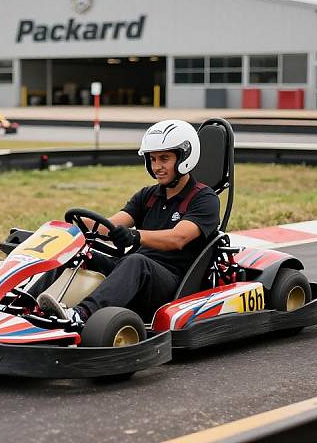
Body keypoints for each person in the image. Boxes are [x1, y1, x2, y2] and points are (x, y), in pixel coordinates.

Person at [32, 119, 220, 324]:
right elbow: (111, 224)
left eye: (164, 159)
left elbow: (178, 238)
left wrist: (135, 235)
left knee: (135, 261)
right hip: (131, 271)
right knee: (77, 253)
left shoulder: (204, 198)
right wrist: (73, 228)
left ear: (185, 157)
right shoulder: (148, 195)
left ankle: (81, 314)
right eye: (153, 159)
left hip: (172, 284)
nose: (157, 166)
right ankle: (24, 304)